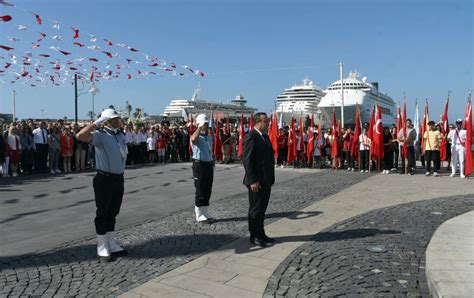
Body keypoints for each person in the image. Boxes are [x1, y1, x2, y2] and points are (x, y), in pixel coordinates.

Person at [77, 108, 128, 262]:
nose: (119, 120)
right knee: (103, 213)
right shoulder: (100, 135)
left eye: (118, 118)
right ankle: (102, 246)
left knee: (113, 211)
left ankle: (111, 242)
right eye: (115, 118)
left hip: (118, 178)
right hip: (104, 179)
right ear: (107, 121)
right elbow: (80, 136)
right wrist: (97, 122)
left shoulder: (120, 135)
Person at [242, 112, 275, 248]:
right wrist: (252, 180)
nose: (267, 123)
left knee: (262, 209)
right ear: (258, 122)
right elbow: (247, 160)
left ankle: (261, 233)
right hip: (256, 181)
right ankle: (254, 236)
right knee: (255, 209)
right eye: (265, 121)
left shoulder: (265, 136)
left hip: (266, 179)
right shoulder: (251, 137)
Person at [191, 114, 215, 223]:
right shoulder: (197, 136)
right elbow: (193, 138)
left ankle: (205, 211)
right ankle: (199, 214)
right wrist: (199, 127)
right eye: (205, 123)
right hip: (199, 164)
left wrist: (212, 162)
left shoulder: (208, 137)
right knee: (200, 189)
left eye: (206, 124)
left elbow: (210, 151)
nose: (206, 125)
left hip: (208, 164)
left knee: (207, 189)